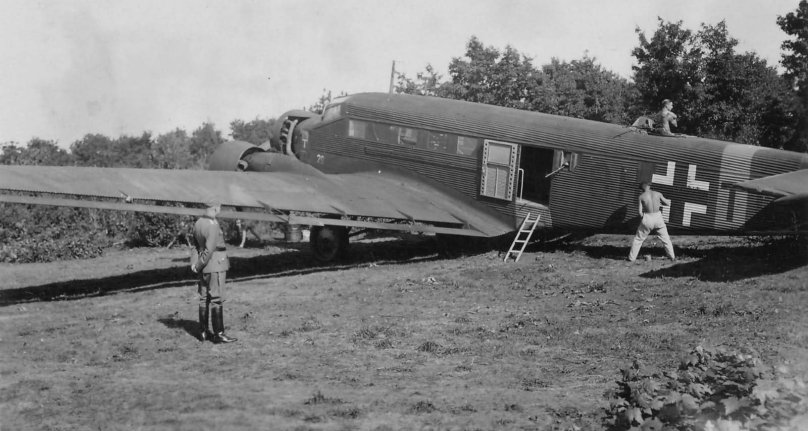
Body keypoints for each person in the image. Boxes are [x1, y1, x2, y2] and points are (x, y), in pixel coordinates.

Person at [191, 198, 237, 343]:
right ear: (215, 208)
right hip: (215, 265)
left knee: (204, 298)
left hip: (204, 267)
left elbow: (195, 246)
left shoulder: (198, 223)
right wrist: (199, 265)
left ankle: (203, 332)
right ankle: (219, 333)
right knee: (217, 299)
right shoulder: (213, 224)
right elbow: (210, 250)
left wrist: (195, 264)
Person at [628, 182, 676, 262]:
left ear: (642, 189)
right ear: (649, 186)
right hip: (658, 217)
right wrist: (659, 203)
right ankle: (672, 257)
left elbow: (640, 212)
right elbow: (668, 203)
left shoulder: (641, 197)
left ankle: (631, 258)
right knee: (666, 239)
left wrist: (644, 218)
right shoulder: (658, 194)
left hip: (647, 217)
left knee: (638, 239)